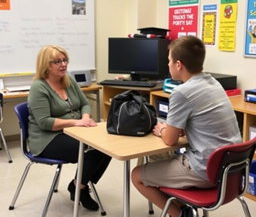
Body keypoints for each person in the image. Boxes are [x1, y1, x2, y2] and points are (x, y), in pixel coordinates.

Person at [131, 35, 242, 217]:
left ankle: (181, 213)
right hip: (231, 170)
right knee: (159, 162)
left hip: (205, 170)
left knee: (137, 175)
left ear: (178, 65)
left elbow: (169, 140)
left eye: (169, 61)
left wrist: (163, 130)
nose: (167, 65)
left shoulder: (182, 92)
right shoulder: (214, 83)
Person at [28, 45, 111, 211]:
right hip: (47, 139)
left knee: (108, 145)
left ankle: (78, 185)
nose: (63, 64)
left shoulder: (68, 80)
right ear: (46, 65)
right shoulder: (39, 87)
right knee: (91, 150)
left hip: (74, 131)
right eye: (57, 61)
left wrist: (85, 117)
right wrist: (76, 122)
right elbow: (44, 122)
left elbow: (85, 104)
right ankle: (82, 187)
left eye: (65, 60)